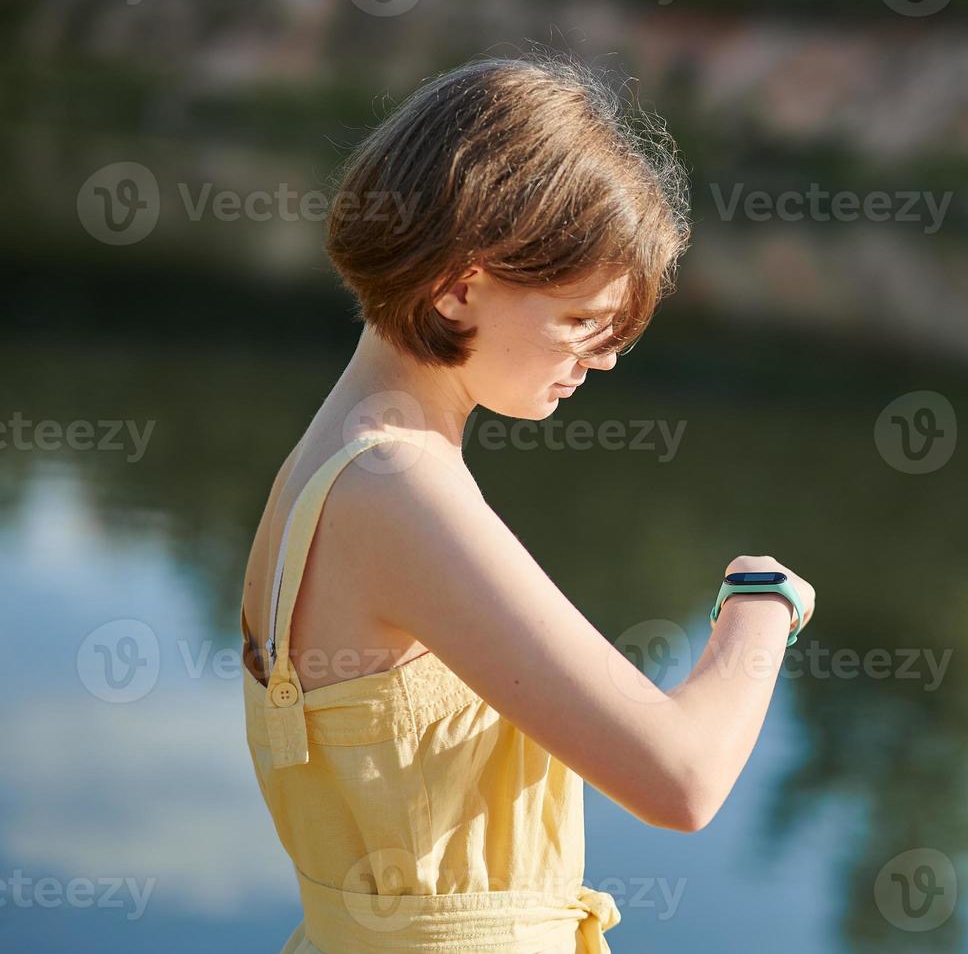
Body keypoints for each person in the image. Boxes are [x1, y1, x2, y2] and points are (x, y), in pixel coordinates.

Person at [236, 54, 817, 954]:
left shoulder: (326, 462)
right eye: (582, 323)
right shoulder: (400, 489)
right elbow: (683, 779)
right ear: (462, 284)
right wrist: (761, 606)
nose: (605, 357)